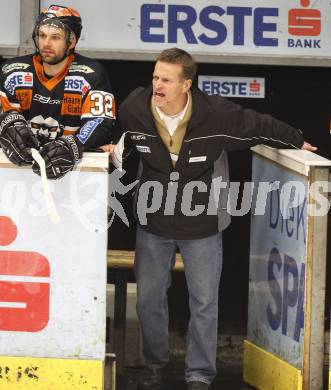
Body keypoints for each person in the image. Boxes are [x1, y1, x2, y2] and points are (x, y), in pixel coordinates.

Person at [108, 48, 316, 390]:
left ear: (186, 84)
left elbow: (261, 124)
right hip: (152, 222)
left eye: (166, 80)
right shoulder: (134, 108)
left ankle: (200, 374)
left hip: (203, 224)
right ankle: (155, 365)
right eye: (155, 77)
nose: (157, 85)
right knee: (148, 299)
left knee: (204, 301)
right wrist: (109, 148)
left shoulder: (216, 114)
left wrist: (295, 139)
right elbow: (116, 134)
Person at [0, 5, 117, 179]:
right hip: (17, 172)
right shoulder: (12, 71)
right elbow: (4, 112)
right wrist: (6, 123)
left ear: (72, 41)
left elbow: (101, 122)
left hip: (73, 175)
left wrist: (75, 144)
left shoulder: (91, 74)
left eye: (55, 37)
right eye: (42, 36)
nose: (46, 43)